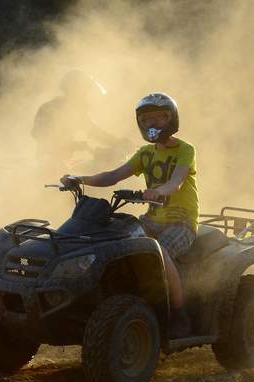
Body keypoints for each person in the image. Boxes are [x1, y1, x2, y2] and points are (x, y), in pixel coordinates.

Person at [60, 92, 197, 338]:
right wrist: (79, 178)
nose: (153, 124)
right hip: (152, 220)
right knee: (114, 239)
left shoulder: (185, 150)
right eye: (147, 120)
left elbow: (175, 183)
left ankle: (179, 313)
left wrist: (157, 192)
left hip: (181, 221)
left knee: (158, 253)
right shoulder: (145, 153)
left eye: (159, 118)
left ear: (172, 120)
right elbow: (113, 176)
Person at [33, 70, 126, 176]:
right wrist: (75, 145)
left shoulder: (76, 111)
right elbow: (44, 139)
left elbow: (94, 131)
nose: (85, 95)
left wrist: (117, 142)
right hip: (50, 163)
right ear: (74, 90)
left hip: (63, 161)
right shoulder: (49, 109)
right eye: (84, 91)